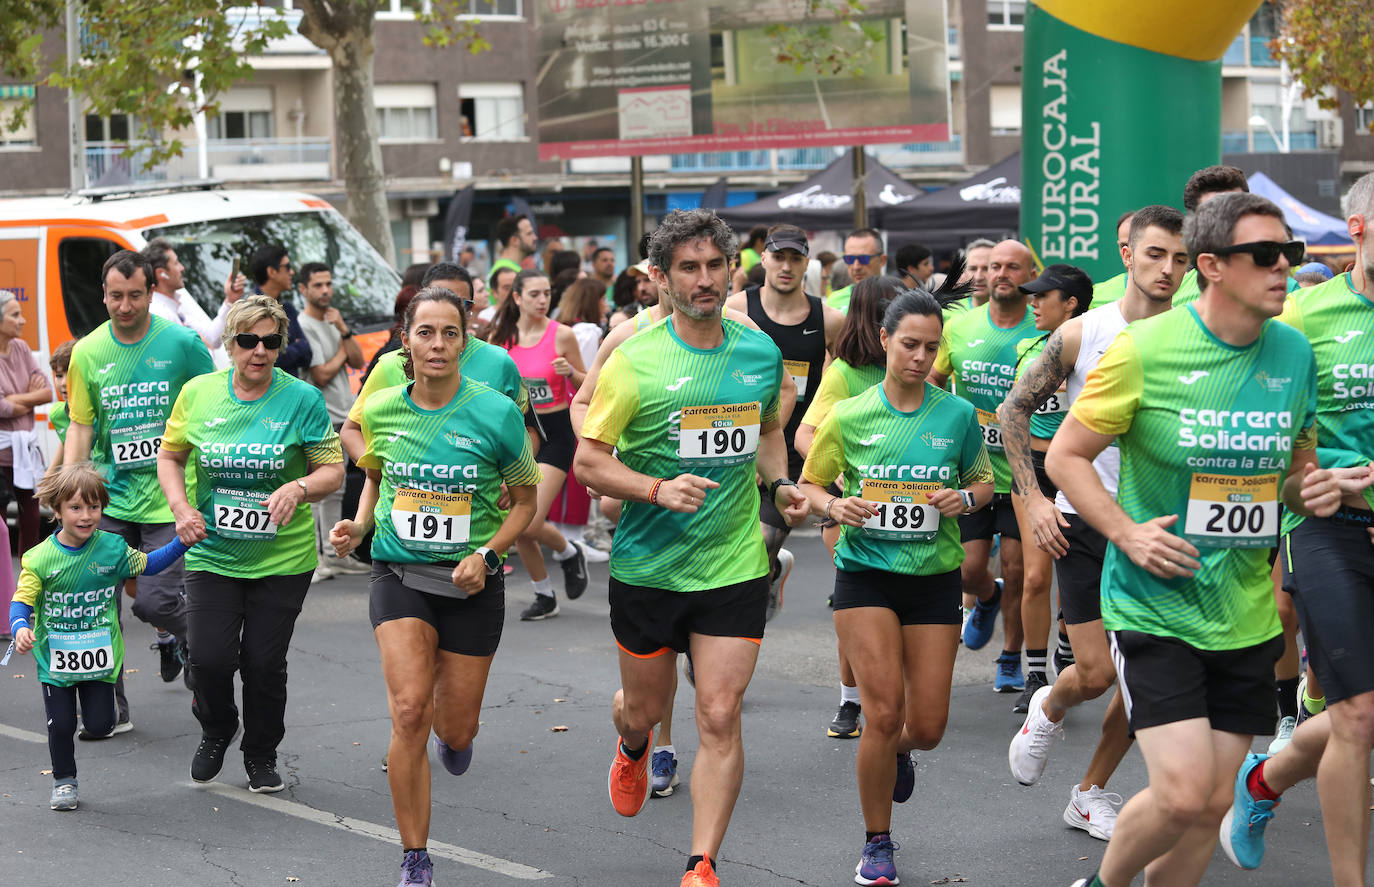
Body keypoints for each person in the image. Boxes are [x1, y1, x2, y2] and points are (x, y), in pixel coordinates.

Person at [1051, 193, 1333, 887]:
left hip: (1243, 613)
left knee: (1209, 802)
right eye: (1264, 255)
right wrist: (1125, 532)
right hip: (1154, 602)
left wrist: (1315, 490)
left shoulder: (1294, 353)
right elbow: (1065, 456)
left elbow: (1296, 475)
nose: (1283, 269)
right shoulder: (1144, 348)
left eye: (1289, 254)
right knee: (1180, 791)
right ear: (1210, 266)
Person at [575, 209, 807, 887]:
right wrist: (653, 487)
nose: (705, 280)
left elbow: (767, 433)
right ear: (661, 277)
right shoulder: (635, 361)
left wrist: (781, 481)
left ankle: (701, 861)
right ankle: (633, 741)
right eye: (689, 267)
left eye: (715, 266)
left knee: (718, 711)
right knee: (645, 706)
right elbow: (590, 460)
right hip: (648, 567)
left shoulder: (759, 352)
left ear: (733, 269)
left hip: (733, 561)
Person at [330, 286, 541, 887]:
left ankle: (457, 739)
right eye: (426, 332)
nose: (439, 344)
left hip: (472, 583)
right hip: (400, 575)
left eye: (451, 333)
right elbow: (377, 476)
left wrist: (488, 551)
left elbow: (525, 503)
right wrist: (361, 524)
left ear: (465, 341)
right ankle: (415, 855)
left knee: (455, 728)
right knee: (408, 710)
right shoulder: (383, 407)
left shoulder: (495, 411)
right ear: (406, 341)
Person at [1001, 206, 1187, 843]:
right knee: (1097, 673)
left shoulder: (1195, 335)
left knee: (1148, 675)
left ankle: (1090, 793)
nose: (1167, 269)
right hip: (1083, 522)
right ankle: (1049, 705)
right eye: (1155, 254)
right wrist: (1033, 500)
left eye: (1181, 259)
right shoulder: (1082, 333)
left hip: (1160, 527)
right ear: (1127, 252)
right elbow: (1014, 412)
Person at [800, 289, 993, 887]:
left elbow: (983, 483)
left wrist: (962, 498)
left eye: (931, 347)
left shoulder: (956, 416)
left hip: (933, 580)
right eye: (909, 344)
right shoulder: (850, 415)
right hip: (865, 577)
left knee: (926, 727)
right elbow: (809, 486)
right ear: (884, 340)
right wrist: (835, 504)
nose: (920, 357)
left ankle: (898, 752)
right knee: (882, 714)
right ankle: (876, 842)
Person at [1218, 172, 1374, 885]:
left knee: (1357, 714)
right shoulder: (1306, 316)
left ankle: (1265, 780)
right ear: (1360, 230)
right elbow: (1248, 407)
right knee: (1360, 715)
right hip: (1328, 525)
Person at [158, 295, 345, 791]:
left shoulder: (301, 398)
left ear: (281, 345)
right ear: (231, 343)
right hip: (212, 554)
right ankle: (217, 728)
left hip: (282, 559)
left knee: (263, 664)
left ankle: (261, 752)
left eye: (270, 342)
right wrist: (181, 508)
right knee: (209, 659)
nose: (258, 351)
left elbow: (333, 468)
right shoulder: (199, 393)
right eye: (247, 341)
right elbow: (171, 456)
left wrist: (298, 486)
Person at [65, 250, 215, 725]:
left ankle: (198, 641)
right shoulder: (88, 351)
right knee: (95, 604)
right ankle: (110, 709)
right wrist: (71, 492)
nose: (124, 306)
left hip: (170, 497)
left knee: (153, 600)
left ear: (152, 293)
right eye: (115, 296)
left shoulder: (183, 343)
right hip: (109, 498)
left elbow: (211, 412)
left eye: (134, 296)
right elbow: (80, 427)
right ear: (103, 295)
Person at [8, 463, 189, 810]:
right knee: (60, 725)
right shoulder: (41, 558)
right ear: (57, 510)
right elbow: (22, 602)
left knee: (101, 723)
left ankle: (97, 720)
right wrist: (21, 628)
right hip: (55, 661)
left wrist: (182, 541)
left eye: (94, 507)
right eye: (76, 507)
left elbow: (149, 565)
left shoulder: (113, 549)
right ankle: (64, 781)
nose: (86, 515)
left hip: (100, 658)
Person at [927, 240, 1038, 690]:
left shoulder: (1043, 327)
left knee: (1015, 566)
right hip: (972, 472)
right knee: (970, 570)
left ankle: (1011, 657)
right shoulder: (960, 326)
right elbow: (934, 381)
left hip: (1021, 473)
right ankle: (987, 599)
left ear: (1030, 273)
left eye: (1013, 266)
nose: (1001, 274)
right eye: (993, 267)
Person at [795, 276, 898, 738]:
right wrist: (836, 480)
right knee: (853, 607)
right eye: (891, 310)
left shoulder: (914, 366)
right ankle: (850, 700)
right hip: (851, 510)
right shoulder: (844, 373)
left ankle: (899, 695)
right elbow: (805, 433)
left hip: (912, 506)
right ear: (871, 317)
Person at [726, 224, 844, 621]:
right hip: (740, 438)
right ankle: (771, 574)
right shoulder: (737, 309)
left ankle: (744, 611)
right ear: (764, 258)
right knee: (728, 548)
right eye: (779, 257)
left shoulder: (828, 318)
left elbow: (850, 376)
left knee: (759, 543)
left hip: (794, 448)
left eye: (796, 258)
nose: (786, 266)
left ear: (807, 263)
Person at [998, 264, 1092, 714]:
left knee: (1073, 573)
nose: (1032, 304)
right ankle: (1035, 674)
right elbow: (1013, 407)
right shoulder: (1026, 345)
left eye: (1042, 297)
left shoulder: (1098, 344)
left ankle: (1069, 651)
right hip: (1033, 468)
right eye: (1030, 296)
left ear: (1070, 303)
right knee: (1035, 577)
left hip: (1079, 469)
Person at [489, 270, 589, 621]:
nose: (543, 299)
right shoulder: (502, 339)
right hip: (517, 434)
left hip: (555, 434)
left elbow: (590, 384)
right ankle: (544, 594)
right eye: (534, 293)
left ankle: (566, 550)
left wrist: (570, 373)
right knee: (516, 523)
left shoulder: (561, 334)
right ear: (516, 297)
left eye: (547, 293)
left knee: (528, 521)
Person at [294, 261, 368, 584]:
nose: (325, 290)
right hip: (319, 413)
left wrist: (344, 331)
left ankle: (335, 553)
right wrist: (341, 348)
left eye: (328, 284)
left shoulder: (335, 320)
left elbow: (358, 359)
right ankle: (315, 558)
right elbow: (321, 374)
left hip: (344, 412)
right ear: (303, 289)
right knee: (316, 484)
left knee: (336, 486)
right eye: (318, 285)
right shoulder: (302, 324)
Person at [0, 288, 52, 555]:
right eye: (15, 315)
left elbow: (47, 391)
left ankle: (27, 581)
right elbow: (2, 407)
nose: (22, 320)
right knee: (1, 526)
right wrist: (30, 397)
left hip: (24, 450)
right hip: (2, 456)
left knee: (31, 517)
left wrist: (15, 397)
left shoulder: (20, 347)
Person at [225, 244, 313, 377]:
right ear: (272, 271)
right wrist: (296, 348)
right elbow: (251, 359)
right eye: (287, 267)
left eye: (272, 341)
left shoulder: (288, 309)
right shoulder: (246, 311)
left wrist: (288, 352)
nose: (292, 272)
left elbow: (307, 354)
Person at [1171, 165, 1251, 308]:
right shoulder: (1171, 291)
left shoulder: (1279, 285)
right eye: (1214, 214)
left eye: (1237, 210)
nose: (1228, 223)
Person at [142, 237, 231, 355]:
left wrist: (231, 299)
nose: (182, 268)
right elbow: (185, 359)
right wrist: (206, 348)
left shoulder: (173, 311)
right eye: (176, 263)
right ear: (161, 274)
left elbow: (212, 337)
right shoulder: (159, 314)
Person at [827, 229, 887, 314]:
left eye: (863, 259)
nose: (856, 267)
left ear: (882, 260)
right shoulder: (834, 300)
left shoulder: (896, 298)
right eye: (849, 259)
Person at [561, 277, 609, 371]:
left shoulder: (568, 326)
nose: (606, 304)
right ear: (593, 303)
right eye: (603, 299)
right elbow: (587, 373)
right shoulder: (587, 332)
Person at [958, 238, 997, 311]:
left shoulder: (1017, 311)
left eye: (986, 268)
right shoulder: (948, 313)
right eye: (973, 269)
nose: (979, 277)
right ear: (964, 272)